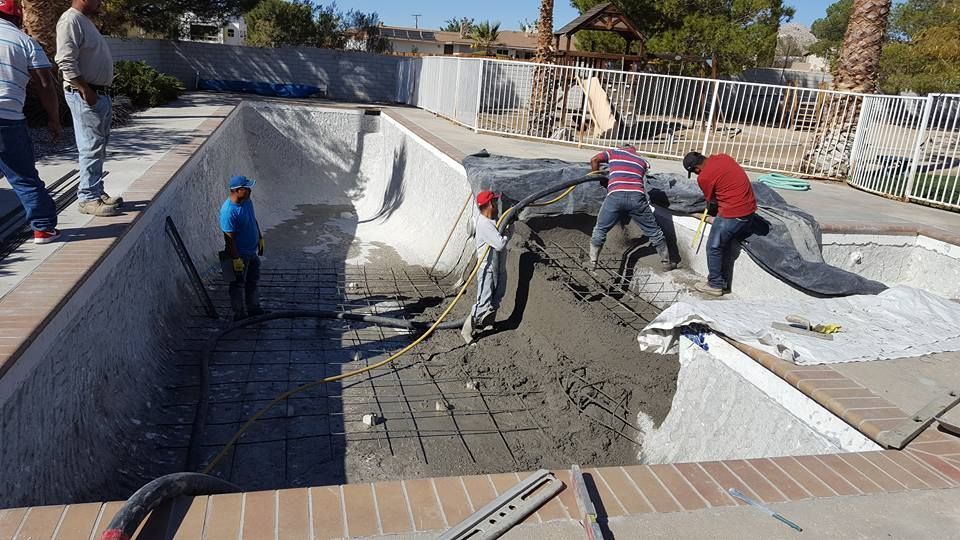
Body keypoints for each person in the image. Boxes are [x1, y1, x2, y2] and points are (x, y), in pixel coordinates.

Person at [0, 0, 63, 244]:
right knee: (22, 176)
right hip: (8, 119)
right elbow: (44, 83)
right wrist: (54, 120)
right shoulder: (24, 41)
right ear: (19, 17)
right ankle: (43, 228)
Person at [56, 0, 121, 217]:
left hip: (97, 94)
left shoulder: (84, 21)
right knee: (90, 147)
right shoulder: (70, 20)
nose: (101, 2)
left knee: (97, 147)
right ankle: (87, 198)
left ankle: (95, 191)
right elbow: (65, 60)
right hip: (86, 94)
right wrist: (85, 90)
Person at [589, 145, 676, 272]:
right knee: (654, 232)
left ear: (621, 148)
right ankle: (666, 263)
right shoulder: (642, 161)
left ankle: (592, 263)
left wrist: (599, 180)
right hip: (637, 198)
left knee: (600, 229)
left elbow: (594, 160)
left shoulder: (614, 152)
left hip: (615, 196)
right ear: (634, 151)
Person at [683, 151, 758, 297]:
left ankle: (715, 285)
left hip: (733, 214)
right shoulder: (723, 157)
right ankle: (723, 281)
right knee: (725, 243)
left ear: (696, 169)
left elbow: (712, 201)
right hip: (749, 211)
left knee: (713, 247)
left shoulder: (704, 177)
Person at [461, 190, 508, 343]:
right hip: (487, 269)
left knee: (498, 296)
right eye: (494, 202)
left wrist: (510, 226)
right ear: (489, 205)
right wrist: (505, 233)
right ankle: (466, 331)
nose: (496, 204)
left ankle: (488, 323)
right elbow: (500, 244)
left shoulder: (493, 221)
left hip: (499, 267)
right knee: (483, 302)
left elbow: (504, 237)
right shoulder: (484, 224)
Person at [220, 175, 265, 321]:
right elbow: (229, 239)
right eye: (246, 188)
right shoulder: (228, 212)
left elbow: (253, 220)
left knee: (253, 281)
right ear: (237, 190)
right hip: (239, 255)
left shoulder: (246, 201)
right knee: (237, 285)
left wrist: (259, 238)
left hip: (251, 252)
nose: (250, 190)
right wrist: (236, 259)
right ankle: (239, 314)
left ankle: (253, 308)